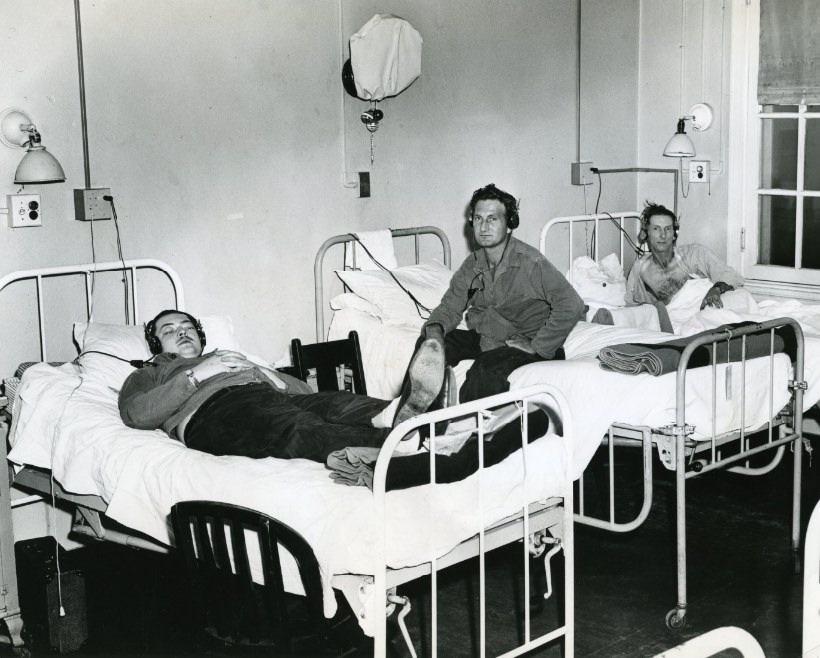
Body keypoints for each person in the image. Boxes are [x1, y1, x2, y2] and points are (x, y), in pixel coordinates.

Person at [393, 183, 585, 427]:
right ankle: (412, 422)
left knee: (484, 370)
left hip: (529, 343)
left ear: (509, 224)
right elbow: (452, 306)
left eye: (493, 219)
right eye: (478, 219)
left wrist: (537, 345)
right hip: (489, 338)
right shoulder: (473, 266)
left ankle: (466, 434)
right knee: (431, 344)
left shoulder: (531, 263)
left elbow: (572, 305)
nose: (484, 227)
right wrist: (435, 330)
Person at [118, 309, 395, 462]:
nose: (181, 331)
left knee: (338, 402)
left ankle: (419, 421)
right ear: (156, 345)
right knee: (295, 428)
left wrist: (261, 370)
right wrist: (197, 375)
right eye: (168, 330)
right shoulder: (152, 372)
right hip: (214, 413)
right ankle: (398, 443)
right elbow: (136, 414)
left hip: (266, 395)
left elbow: (305, 392)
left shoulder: (225, 356)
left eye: (188, 326)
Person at [625, 202, 744, 310]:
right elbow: (632, 306)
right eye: (656, 229)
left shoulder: (693, 254)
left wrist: (716, 289)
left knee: (740, 298)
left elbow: (732, 276)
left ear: (674, 234)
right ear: (645, 233)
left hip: (707, 310)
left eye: (668, 229)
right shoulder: (640, 268)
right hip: (676, 321)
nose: (663, 235)